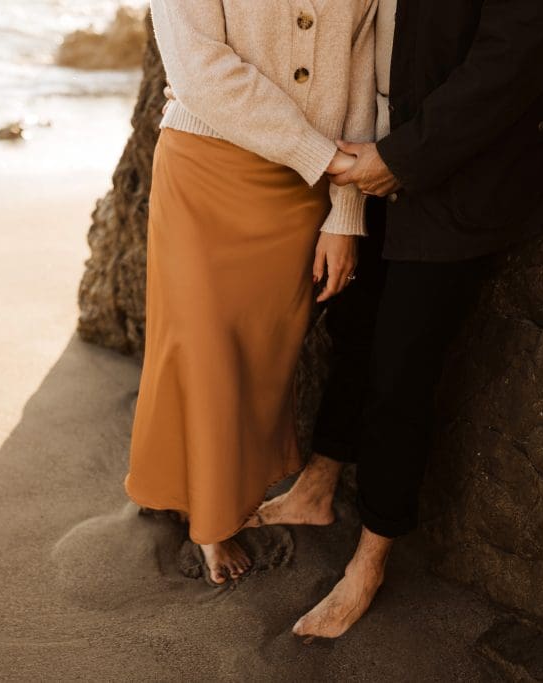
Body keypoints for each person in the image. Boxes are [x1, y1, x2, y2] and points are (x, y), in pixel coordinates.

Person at [246, 0, 543, 638]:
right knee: (352, 327)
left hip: (458, 172)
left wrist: (403, 158)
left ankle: (370, 560)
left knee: (402, 369)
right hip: (377, 145)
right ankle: (316, 489)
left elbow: (514, 59)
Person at [125, 0, 379, 586]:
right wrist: (329, 160)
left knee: (263, 360)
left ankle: (219, 490)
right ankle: (210, 521)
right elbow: (197, 66)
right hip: (205, 173)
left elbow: (362, 72)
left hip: (306, 187)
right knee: (199, 349)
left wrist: (346, 211)